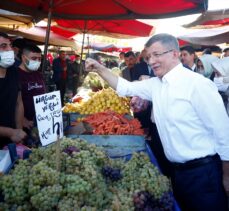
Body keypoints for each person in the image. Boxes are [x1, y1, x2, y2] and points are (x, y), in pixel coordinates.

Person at [85, 33, 229, 211]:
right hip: (177, 173)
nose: (151, 61)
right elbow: (126, 87)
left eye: (156, 54)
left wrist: (226, 176)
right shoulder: (156, 84)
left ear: (175, 54)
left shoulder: (197, 85)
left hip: (203, 174)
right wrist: (99, 68)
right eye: (148, 57)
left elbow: (224, 133)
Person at [0, 32, 26, 148]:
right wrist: (11, 132)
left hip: (11, 142)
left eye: (10, 45)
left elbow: (18, 103)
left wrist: (19, 130)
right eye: (3, 46)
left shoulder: (14, 71)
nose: (10, 50)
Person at [18, 44, 46, 133]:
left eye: (39, 59)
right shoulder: (14, 75)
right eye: (34, 58)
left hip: (40, 122)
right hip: (23, 125)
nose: (37, 61)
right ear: (23, 57)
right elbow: (11, 103)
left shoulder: (38, 75)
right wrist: (22, 119)